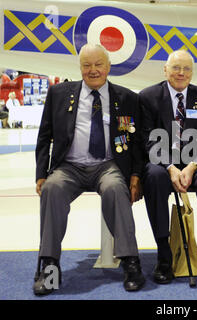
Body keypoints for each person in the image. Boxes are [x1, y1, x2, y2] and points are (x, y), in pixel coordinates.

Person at [34, 44, 146, 295]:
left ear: (108, 67)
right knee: (52, 189)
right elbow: (44, 136)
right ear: (80, 67)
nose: (93, 70)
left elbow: (136, 142)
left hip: (107, 166)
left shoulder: (127, 98)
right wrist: (41, 174)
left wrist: (136, 175)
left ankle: (130, 263)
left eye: (98, 64)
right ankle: (50, 267)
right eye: (86, 65)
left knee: (116, 189)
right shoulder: (59, 94)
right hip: (69, 166)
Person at [139, 50, 197, 286]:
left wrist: (191, 166)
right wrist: (170, 167)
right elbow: (148, 139)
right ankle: (164, 256)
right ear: (165, 70)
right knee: (154, 176)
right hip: (163, 163)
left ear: (192, 72)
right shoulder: (148, 97)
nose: (181, 73)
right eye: (176, 68)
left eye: (187, 68)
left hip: (195, 162)